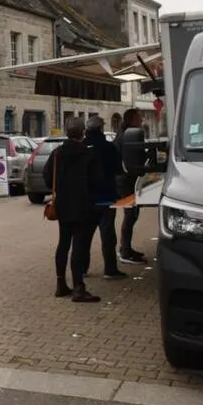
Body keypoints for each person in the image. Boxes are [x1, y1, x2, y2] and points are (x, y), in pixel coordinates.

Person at [43, 116, 103, 303]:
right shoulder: (88, 154)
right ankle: (78, 287)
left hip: (63, 204)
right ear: (82, 132)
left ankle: (61, 283)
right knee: (79, 245)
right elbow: (97, 181)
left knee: (63, 243)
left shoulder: (57, 154)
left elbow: (47, 177)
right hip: (83, 205)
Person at [83, 116, 127, 280]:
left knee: (84, 236)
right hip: (106, 197)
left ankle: (82, 268)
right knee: (108, 235)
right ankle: (110, 269)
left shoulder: (81, 148)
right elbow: (118, 169)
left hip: (86, 200)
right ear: (101, 128)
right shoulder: (108, 147)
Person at [113, 108, 147, 265]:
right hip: (126, 181)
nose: (142, 120)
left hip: (128, 180)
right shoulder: (127, 136)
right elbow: (132, 158)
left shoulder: (127, 134)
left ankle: (126, 248)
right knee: (130, 214)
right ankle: (125, 251)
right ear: (132, 120)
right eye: (139, 118)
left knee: (132, 214)